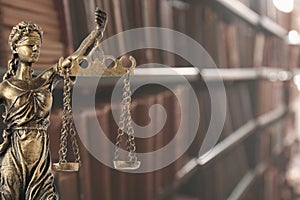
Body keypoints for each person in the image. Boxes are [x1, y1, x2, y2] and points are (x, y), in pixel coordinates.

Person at [0, 8, 107, 200]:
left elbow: (76, 59)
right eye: (30, 45)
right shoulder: (5, 88)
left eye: (38, 46)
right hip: (14, 158)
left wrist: (96, 33)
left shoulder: (46, 80)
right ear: (15, 47)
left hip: (41, 160)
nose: (35, 49)